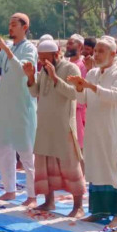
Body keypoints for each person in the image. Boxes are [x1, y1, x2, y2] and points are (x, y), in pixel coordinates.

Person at [67, 36, 117, 228]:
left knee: (114, 170)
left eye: (101, 51)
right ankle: (98, 211)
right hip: (94, 129)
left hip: (112, 130)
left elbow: (116, 97)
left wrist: (90, 86)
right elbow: (83, 100)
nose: (96, 54)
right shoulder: (92, 73)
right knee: (96, 168)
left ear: (113, 54)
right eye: (96, 51)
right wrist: (79, 88)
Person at [0, 13, 38, 205]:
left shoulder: (29, 48)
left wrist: (6, 50)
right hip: (5, 108)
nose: (10, 27)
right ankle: (10, 190)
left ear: (25, 27)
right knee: (4, 151)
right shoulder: (8, 50)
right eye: (9, 24)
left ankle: (32, 195)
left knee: (27, 154)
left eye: (14, 24)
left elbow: (23, 71)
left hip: (22, 108)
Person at [27, 39, 86, 217]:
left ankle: (78, 206)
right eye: (40, 58)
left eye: (46, 58)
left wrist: (54, 77)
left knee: (70, 164)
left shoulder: (71, 69)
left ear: (57, 53)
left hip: (63, 126)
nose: (42, 61)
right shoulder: (43, 71)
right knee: (44, 164)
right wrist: (30, 77)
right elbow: (35, 92)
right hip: (45, 125)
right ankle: (48, 201)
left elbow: (74, 94)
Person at [66, 34, 88, 148]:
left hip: (77, 110)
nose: (67, 46)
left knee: (77, 145)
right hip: (63, 108)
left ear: (80, 47)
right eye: (67, 43)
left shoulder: (82, 65)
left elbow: (82, 89)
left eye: (71, 43)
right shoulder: (64, 64)